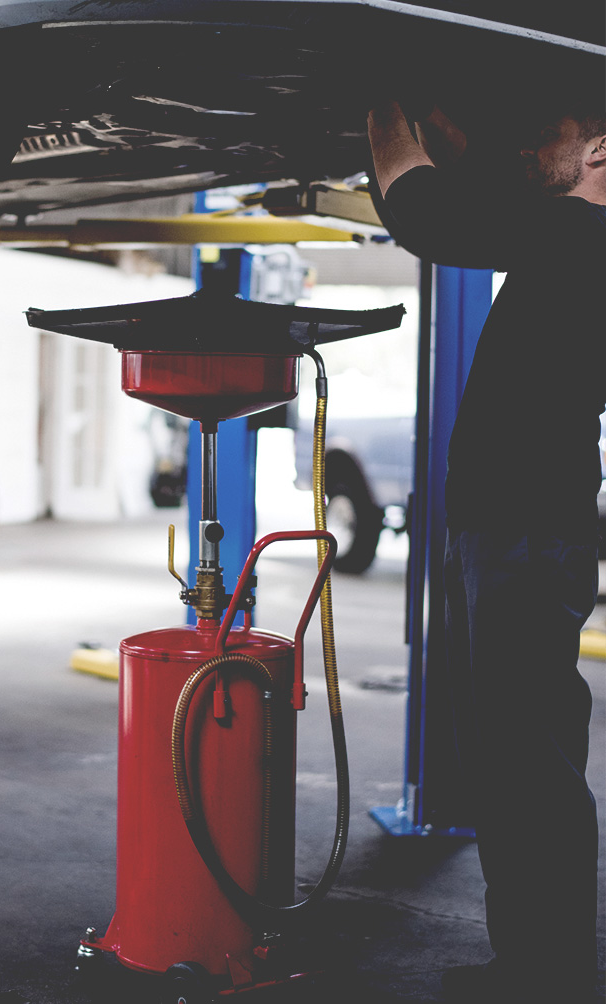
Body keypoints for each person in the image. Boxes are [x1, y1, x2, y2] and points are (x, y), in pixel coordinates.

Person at [367, 94, 606, 1003]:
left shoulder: (580, 235)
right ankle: (533, 967)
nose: (529, 147)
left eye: (548, 134)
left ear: (597, 150)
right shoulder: (567, 241)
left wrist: (384, 112)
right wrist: (450, 138)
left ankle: (547, 976)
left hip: (521, 537)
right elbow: (482, 196)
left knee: (528, 764)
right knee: (517, 760)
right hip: (516, 533)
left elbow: (427, 216)